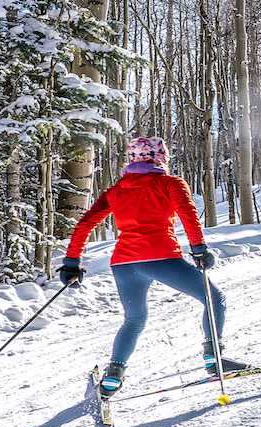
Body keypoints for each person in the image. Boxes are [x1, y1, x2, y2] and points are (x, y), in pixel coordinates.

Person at [59, 136, 245, 398]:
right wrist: (199, 249)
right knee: (214, 299)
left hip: (124, 264)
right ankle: (215, 361)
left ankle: (113, 378)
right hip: (161, 258)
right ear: (162, 158)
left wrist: (71, 263)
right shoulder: (170, 183)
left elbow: (85, 224)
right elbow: (188, 215)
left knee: (134, 320)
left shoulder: (116, 191)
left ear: (132, 159)